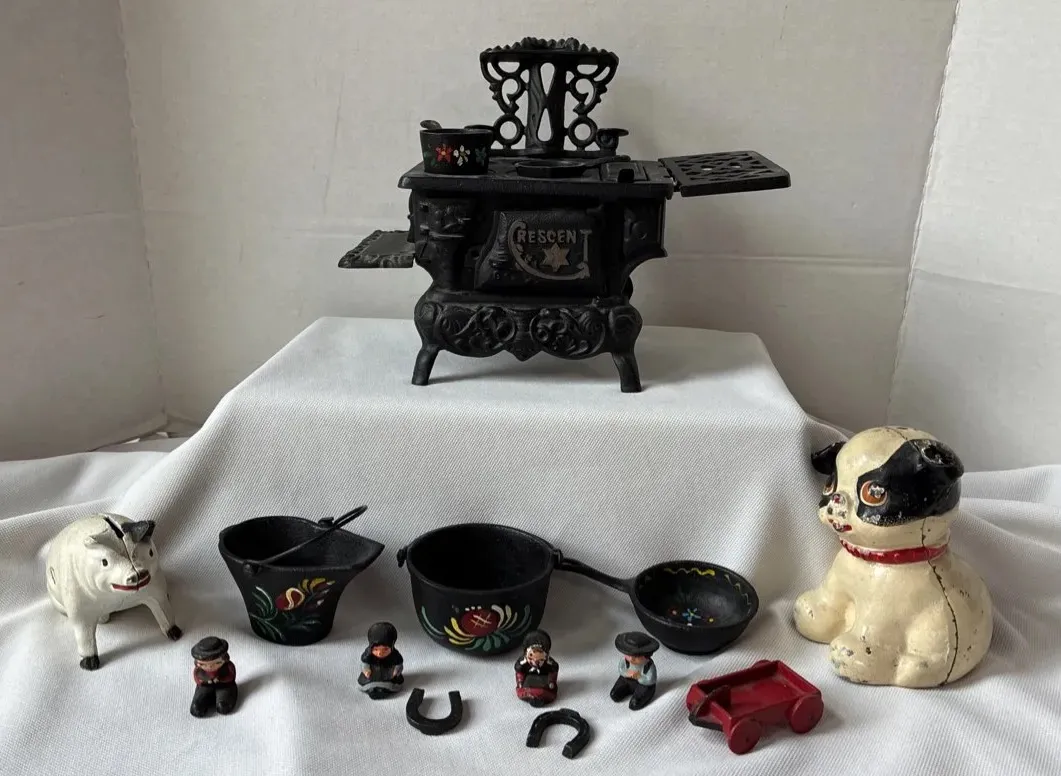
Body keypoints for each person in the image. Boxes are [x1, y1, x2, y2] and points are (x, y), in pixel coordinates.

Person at [190, 636, 238, 717]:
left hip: (224, 686)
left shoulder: (227, 667)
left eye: (217, 663)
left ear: (224, 659)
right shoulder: (199, 671)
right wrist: (204, 681)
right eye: (203, 664)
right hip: (205, 687)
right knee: (196, 708)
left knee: (223, 706)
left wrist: (220, 679)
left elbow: (230, 677)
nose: (209, 667)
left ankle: (222, 701)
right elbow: (198, 679)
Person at [610, 631, 659, 710]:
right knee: (614, 694)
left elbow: (651, 679)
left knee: (635, 703)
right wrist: (627, 673)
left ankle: (636, 699)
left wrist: (639, 677)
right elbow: (621, 669)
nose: (631, 659)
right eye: (629, 655)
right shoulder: (625, 661)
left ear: (646, 656)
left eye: (636, 657)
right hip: (627, 679)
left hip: (643, 685)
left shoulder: (648, 666)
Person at [358, 621, 404, 700]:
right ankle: (372, 689)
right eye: (376, 649)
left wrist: (396, 671)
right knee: (368, 682)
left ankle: (385, 689)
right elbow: (364, 663)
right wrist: (366, 670)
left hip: (388, 671)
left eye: (385, 650)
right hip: (373, 672)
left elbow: (399, 664)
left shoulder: (394, 655)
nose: (379, 653)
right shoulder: (368, 655)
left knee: (391, 683)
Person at [514, 629, 558, 707]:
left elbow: (554, 669)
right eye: (531, 658)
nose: (535, 662)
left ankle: (542, 694)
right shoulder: (523, 663)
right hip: (528, 680)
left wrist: (551, 681)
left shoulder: (548, 663)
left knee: (548, 688)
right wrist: (520, 681)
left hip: (543, 678)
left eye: (540, 660)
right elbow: (518, 669)